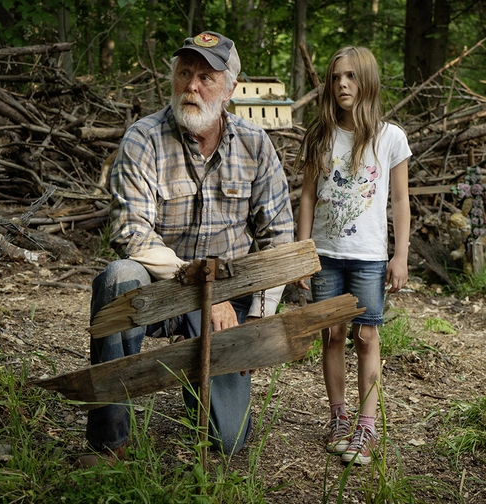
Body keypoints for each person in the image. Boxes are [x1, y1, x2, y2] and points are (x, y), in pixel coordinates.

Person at [77, 31, 294, 467]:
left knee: (230, 441)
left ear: (230, 89)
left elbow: (279, 237)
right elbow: (130, 230)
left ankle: (203, 384)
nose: (191, 86)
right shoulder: (144, 138)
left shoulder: (255, 145)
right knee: (119, 276)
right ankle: (109, 441)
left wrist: (255, 320)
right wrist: (198, 283)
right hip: (160, 288)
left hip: (227, 303)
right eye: (184, 73)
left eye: (206, 77)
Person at [296, 46, 411, 466]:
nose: (342, 84)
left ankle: (366, 425)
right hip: (325, 254)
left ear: (367, 81)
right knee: (333, 335)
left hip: (368, 257)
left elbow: (400, 199)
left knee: (366, 336)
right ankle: (338, 417)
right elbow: (308, 196)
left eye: (351, 76)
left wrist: (400, 256)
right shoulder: (321, 135)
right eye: (335, 77)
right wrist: (303, 252)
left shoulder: (390, 137)